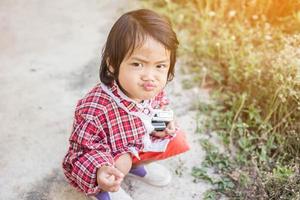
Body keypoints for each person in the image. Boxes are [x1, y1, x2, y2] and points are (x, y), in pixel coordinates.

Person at [62, 9, 190, 200]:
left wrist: (162, 124)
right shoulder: (94, 109)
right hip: (108, 156)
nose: (150, 76)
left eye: (160, 66)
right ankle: (105, 188)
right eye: (138, 64)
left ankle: (136, 166)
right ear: (112, 64)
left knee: (177, 137)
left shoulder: (151, 89)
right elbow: (80, 152)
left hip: (134, 141)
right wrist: (100, 171)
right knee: (121, 162)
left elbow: (159, 106)